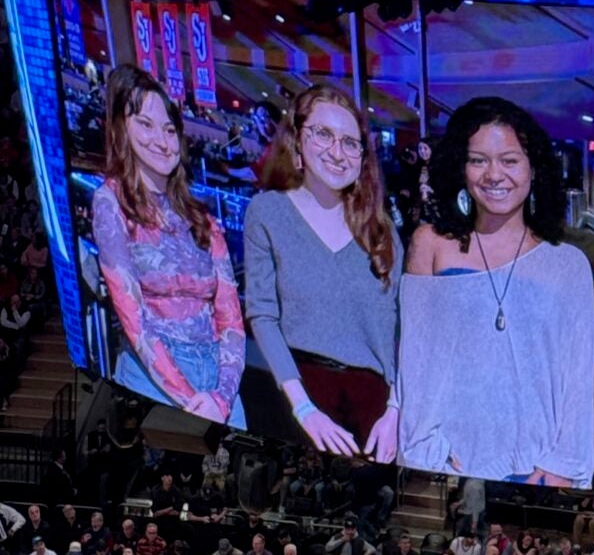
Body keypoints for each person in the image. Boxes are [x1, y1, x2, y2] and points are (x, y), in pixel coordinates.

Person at [400, 97, 594, 486]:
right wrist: (422, 451)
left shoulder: (568, 263)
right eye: (478, 160)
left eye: (509, 160)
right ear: (460, 167)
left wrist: (563, 465)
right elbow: (415, 360)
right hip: (448, 463)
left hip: (538, 466)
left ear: (533, 168)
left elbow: (578, 378)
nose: (494, 175)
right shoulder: (430, 244)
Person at [244, 83, 400, 460]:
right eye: (324, 134)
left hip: (375, 411)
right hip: (298, 397)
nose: (337, 151)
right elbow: (262, 314)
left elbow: (403, 329)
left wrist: (396, 410)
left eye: (350, 142)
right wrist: (303, 409)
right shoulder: (268, 212)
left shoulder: (382, 229)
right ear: (298, 141)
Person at [91, 65, 245, 425]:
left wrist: (221, 397)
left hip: (220, 379)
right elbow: (134, 320)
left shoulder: (201, 218)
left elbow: (232, 319)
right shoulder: (110, 202)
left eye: (169, 129)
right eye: (145, 124)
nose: (161, 140)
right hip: (153, 377)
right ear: (120, 130)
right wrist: (192, 399)